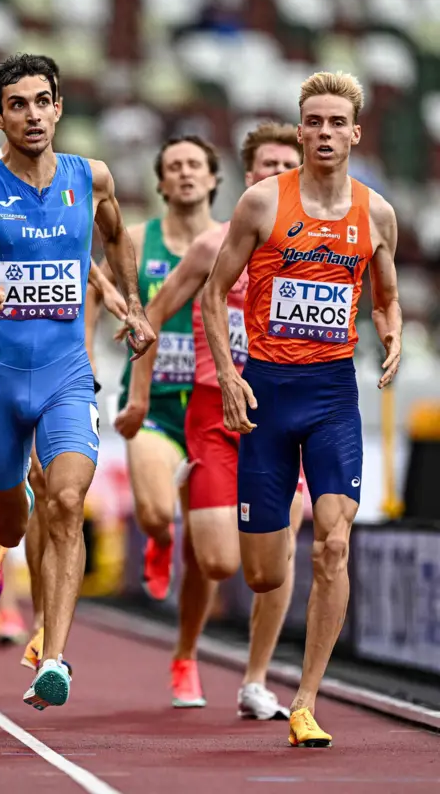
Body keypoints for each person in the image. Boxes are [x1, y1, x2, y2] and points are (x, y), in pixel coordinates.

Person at [0, 53, 154, 712]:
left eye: (41, 101)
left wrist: (131, 304)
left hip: (65, 376)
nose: (31, 114)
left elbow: (115, 240)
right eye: (16, 104)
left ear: (58, 108)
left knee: (67, 500)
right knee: (9, 524)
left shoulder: (92, 177)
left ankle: (53, 656)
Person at [202, 72, 401, 747]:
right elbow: (212, 292)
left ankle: (306, 698)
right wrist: (229, 374)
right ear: (300, 127)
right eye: (309, 121)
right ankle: (276, 574)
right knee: (261, 572)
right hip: (265, 396)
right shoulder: (262, 203)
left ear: (354, 131)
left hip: (331, 396)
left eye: (333, 122)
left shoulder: (375, 213)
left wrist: (392, 329)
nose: (321, 132)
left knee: (334, 542)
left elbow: (386, 294)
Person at [124, 123, 304, 716]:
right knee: (222, 562)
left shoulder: (318, 250)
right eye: (266, 165)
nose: (276, 173)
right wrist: (140, 395)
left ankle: (255, 680)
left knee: (276, 566)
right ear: (248, 176)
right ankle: (186, 640)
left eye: (288, 163)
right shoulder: (216, 246)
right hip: (212, 411)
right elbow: (150, 314)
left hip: (287, 418)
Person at [87, 136, 221, 605]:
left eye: (195, 165)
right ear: (161, 182)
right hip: (153, 400)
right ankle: (160, 542)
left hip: (211, 403)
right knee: (155, 512)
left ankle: (188, 646)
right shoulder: (141, 240)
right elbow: (94, 285)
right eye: (174, 166)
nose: (185, 173)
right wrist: (86, 350)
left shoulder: (230, 240)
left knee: (213, 553)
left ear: (213, 178)